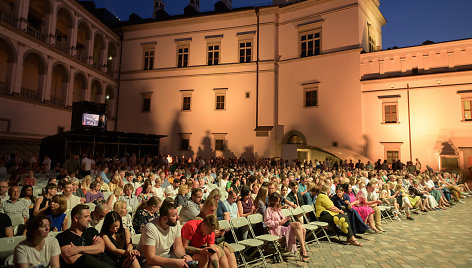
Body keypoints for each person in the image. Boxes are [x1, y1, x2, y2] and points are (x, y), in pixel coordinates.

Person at [138, 201, 202, 267]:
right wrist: (174, 262)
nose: (178, 217)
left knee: (189, 262)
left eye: (177, 214)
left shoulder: (175, 224)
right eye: (174, 215)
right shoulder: (150, 228)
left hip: (167, 256)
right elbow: (150, 258)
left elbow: (178, 247)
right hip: (148, 260)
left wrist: (184, 256)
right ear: (164, 218)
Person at [264, 192, 309, 262]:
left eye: (279, 201)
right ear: (272, 201)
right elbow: (267, 222)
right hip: (277, 229)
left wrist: (286, 219)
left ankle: (302, 249)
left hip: (284, 226)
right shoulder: (268, 210)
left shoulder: (279, 209)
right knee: (301, 228)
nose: (278, 203)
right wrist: (278, 222)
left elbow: (282, 219)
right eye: (277, 201)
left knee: (300, 227)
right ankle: (303, 250)